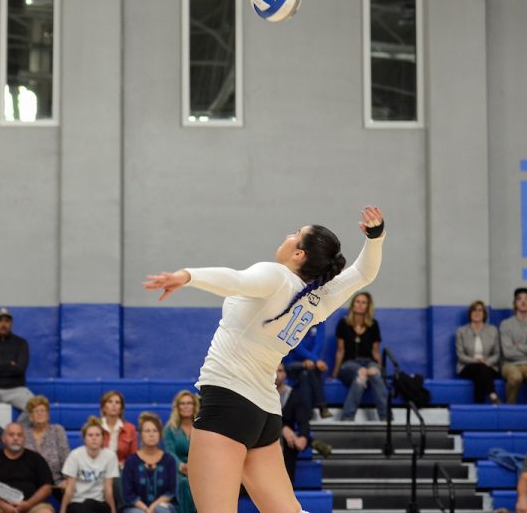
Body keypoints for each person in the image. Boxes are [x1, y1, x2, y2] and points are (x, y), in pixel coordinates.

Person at [142, 206, 385, 513]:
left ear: (299, 254)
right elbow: (364, 273)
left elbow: (234, 280)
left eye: (296, 234)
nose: (288, 235)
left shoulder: (277, 275)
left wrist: (186, 276)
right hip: (264, 415)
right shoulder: (318, 300)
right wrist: (375, 238)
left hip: (227, 404)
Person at [332, 291, 389, 422]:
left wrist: (379, 369)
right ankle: (347, 417)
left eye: (364, 303)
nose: (360, 305)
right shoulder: (343, 324)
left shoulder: (373, 325)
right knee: (361, 374)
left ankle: (386, 419)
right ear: (353, 304)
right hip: (349, 364)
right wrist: (335, 373)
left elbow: (375, 352)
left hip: (369, 362)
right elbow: (340, 351)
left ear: (368, 306)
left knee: (374, 373)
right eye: (357, 302)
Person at [0, 422, 55, 513]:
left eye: (19, 435)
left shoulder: (36, 459)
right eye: (11, 435)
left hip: (33, 505)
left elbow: (47, 487)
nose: (16, 438)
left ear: (24, 439)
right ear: (3, 439)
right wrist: (3, 505)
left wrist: (28, 504)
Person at [60, 416, 119, 513]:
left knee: (89, 504)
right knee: (85, 506)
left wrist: (113, 511)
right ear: (84, 438)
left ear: (103, 438)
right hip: (77, 502)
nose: (94, 438)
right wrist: (62, 511)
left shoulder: (110, 456)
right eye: (90, 435)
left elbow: (108, 490)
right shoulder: (75, 455)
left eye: (97, 435)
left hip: (100, 503)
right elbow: (70, 488)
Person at [121, 412, 177, 513]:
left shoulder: (169, 460)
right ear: (141, 435)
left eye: (155, 431)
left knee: (162, 510)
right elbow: (128, 494)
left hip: (162, 505)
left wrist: (152, 508)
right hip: (136, 507)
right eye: (147, 431)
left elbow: (171, 491)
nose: (151, 434)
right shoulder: (131, 461)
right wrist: (146, 509)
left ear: (160, 434)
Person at [23, 395, 71, 499]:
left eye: (43, 410)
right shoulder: (24, 434)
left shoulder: (57, 430)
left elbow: (66, 458)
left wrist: (67, 480)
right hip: (30, 483)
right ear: (31, 416)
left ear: (48, 414)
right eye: (36, 411)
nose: (40, 413)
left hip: (55, 483)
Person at [455, 300, 501, 404]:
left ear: (484, 314)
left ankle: (479, 405)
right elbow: (460, 355)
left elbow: (497, 354)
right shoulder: (461, 331)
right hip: (467, 366)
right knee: (481, 369)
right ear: (470, 314)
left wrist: (488, 362)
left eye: (480, 310)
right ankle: (493, 395)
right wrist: (476, 360)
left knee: (481, 373)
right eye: (474, 310)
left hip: (489, 366)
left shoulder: (493, 330)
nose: (477, 313)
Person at [282, 323, 331, 419]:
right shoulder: (297, 319)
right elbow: (296, 346)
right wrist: (314, 360)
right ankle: (322, 406)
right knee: (310, 371)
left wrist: (312, 361)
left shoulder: (321, 322)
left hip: (311, 365)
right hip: (292, 362)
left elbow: (319, 343)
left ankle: (307, 414)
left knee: (305, 375)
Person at [274, 363, 311, 484]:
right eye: (273, 371)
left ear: (284, 374)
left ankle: (286, 487)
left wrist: (303, 437)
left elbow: (303, 420)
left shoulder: (293, 395)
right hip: (263, 435)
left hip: (287, 440)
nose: (276, 375)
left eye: (279, 371)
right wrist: (281, 428)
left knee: (291, 441)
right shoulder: (259, 394)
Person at [163, 391, 198, 513]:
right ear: (177, 407)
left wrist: (194, 467)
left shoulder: (202, 427)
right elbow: (169, 453)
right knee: (184, 482)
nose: (186, 406)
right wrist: (181, 466)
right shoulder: (170, 429)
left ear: (194, 405)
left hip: (200, 467)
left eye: (189, 403)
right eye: (182, 404)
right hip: (178, 468)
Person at [100, 390, 138, 467]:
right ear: (104, 407)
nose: (113, 405)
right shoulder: (95, 427)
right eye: (110, 402)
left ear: (121, 409)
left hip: (122, 470)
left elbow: (133, 457)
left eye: (117, 402)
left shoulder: (130, 429)